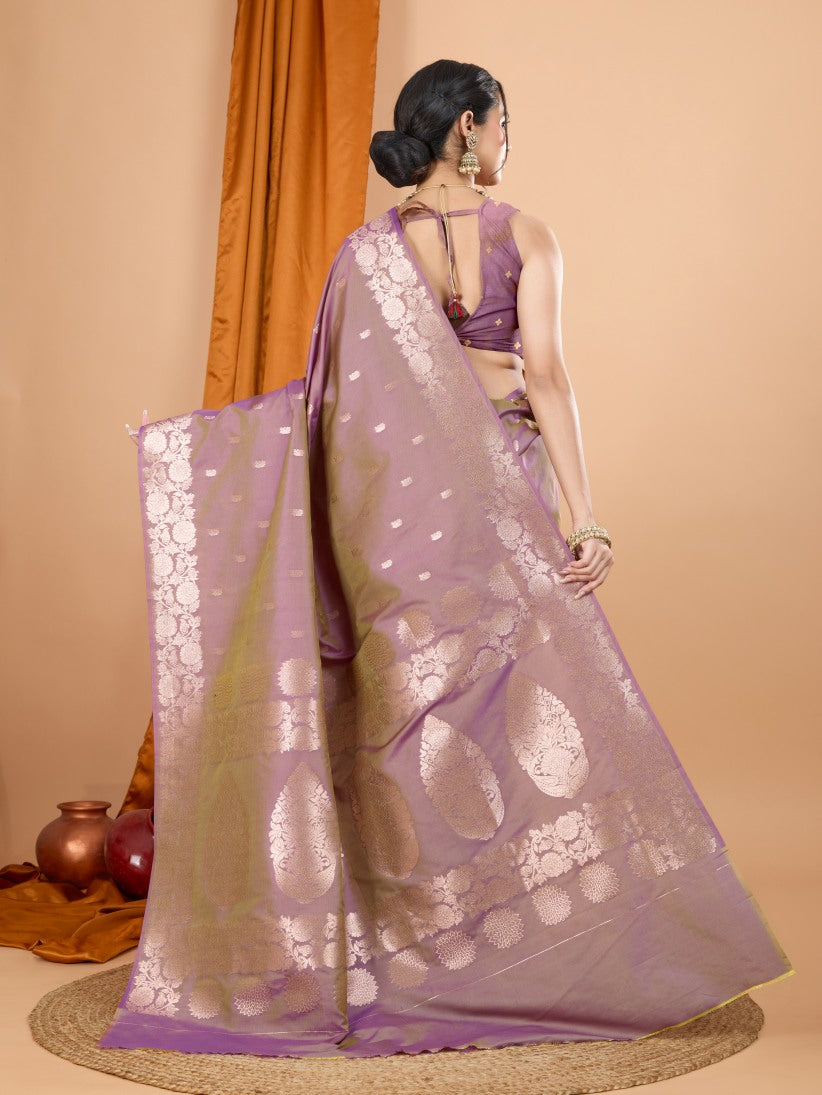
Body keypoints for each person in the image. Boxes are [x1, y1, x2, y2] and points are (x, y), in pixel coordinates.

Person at [102, 59, 793, 1059]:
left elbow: (327, 411)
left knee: (402, 725)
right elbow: (547, 377)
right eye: (504, 122)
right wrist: (586, 521)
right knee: (505, 721)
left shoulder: (366, 254)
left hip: (393, 523)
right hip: (503, 499)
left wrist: (197, 453)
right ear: (468, 127)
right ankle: (519, 951)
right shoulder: (526, 236)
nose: (509, 141)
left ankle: (417, 953)